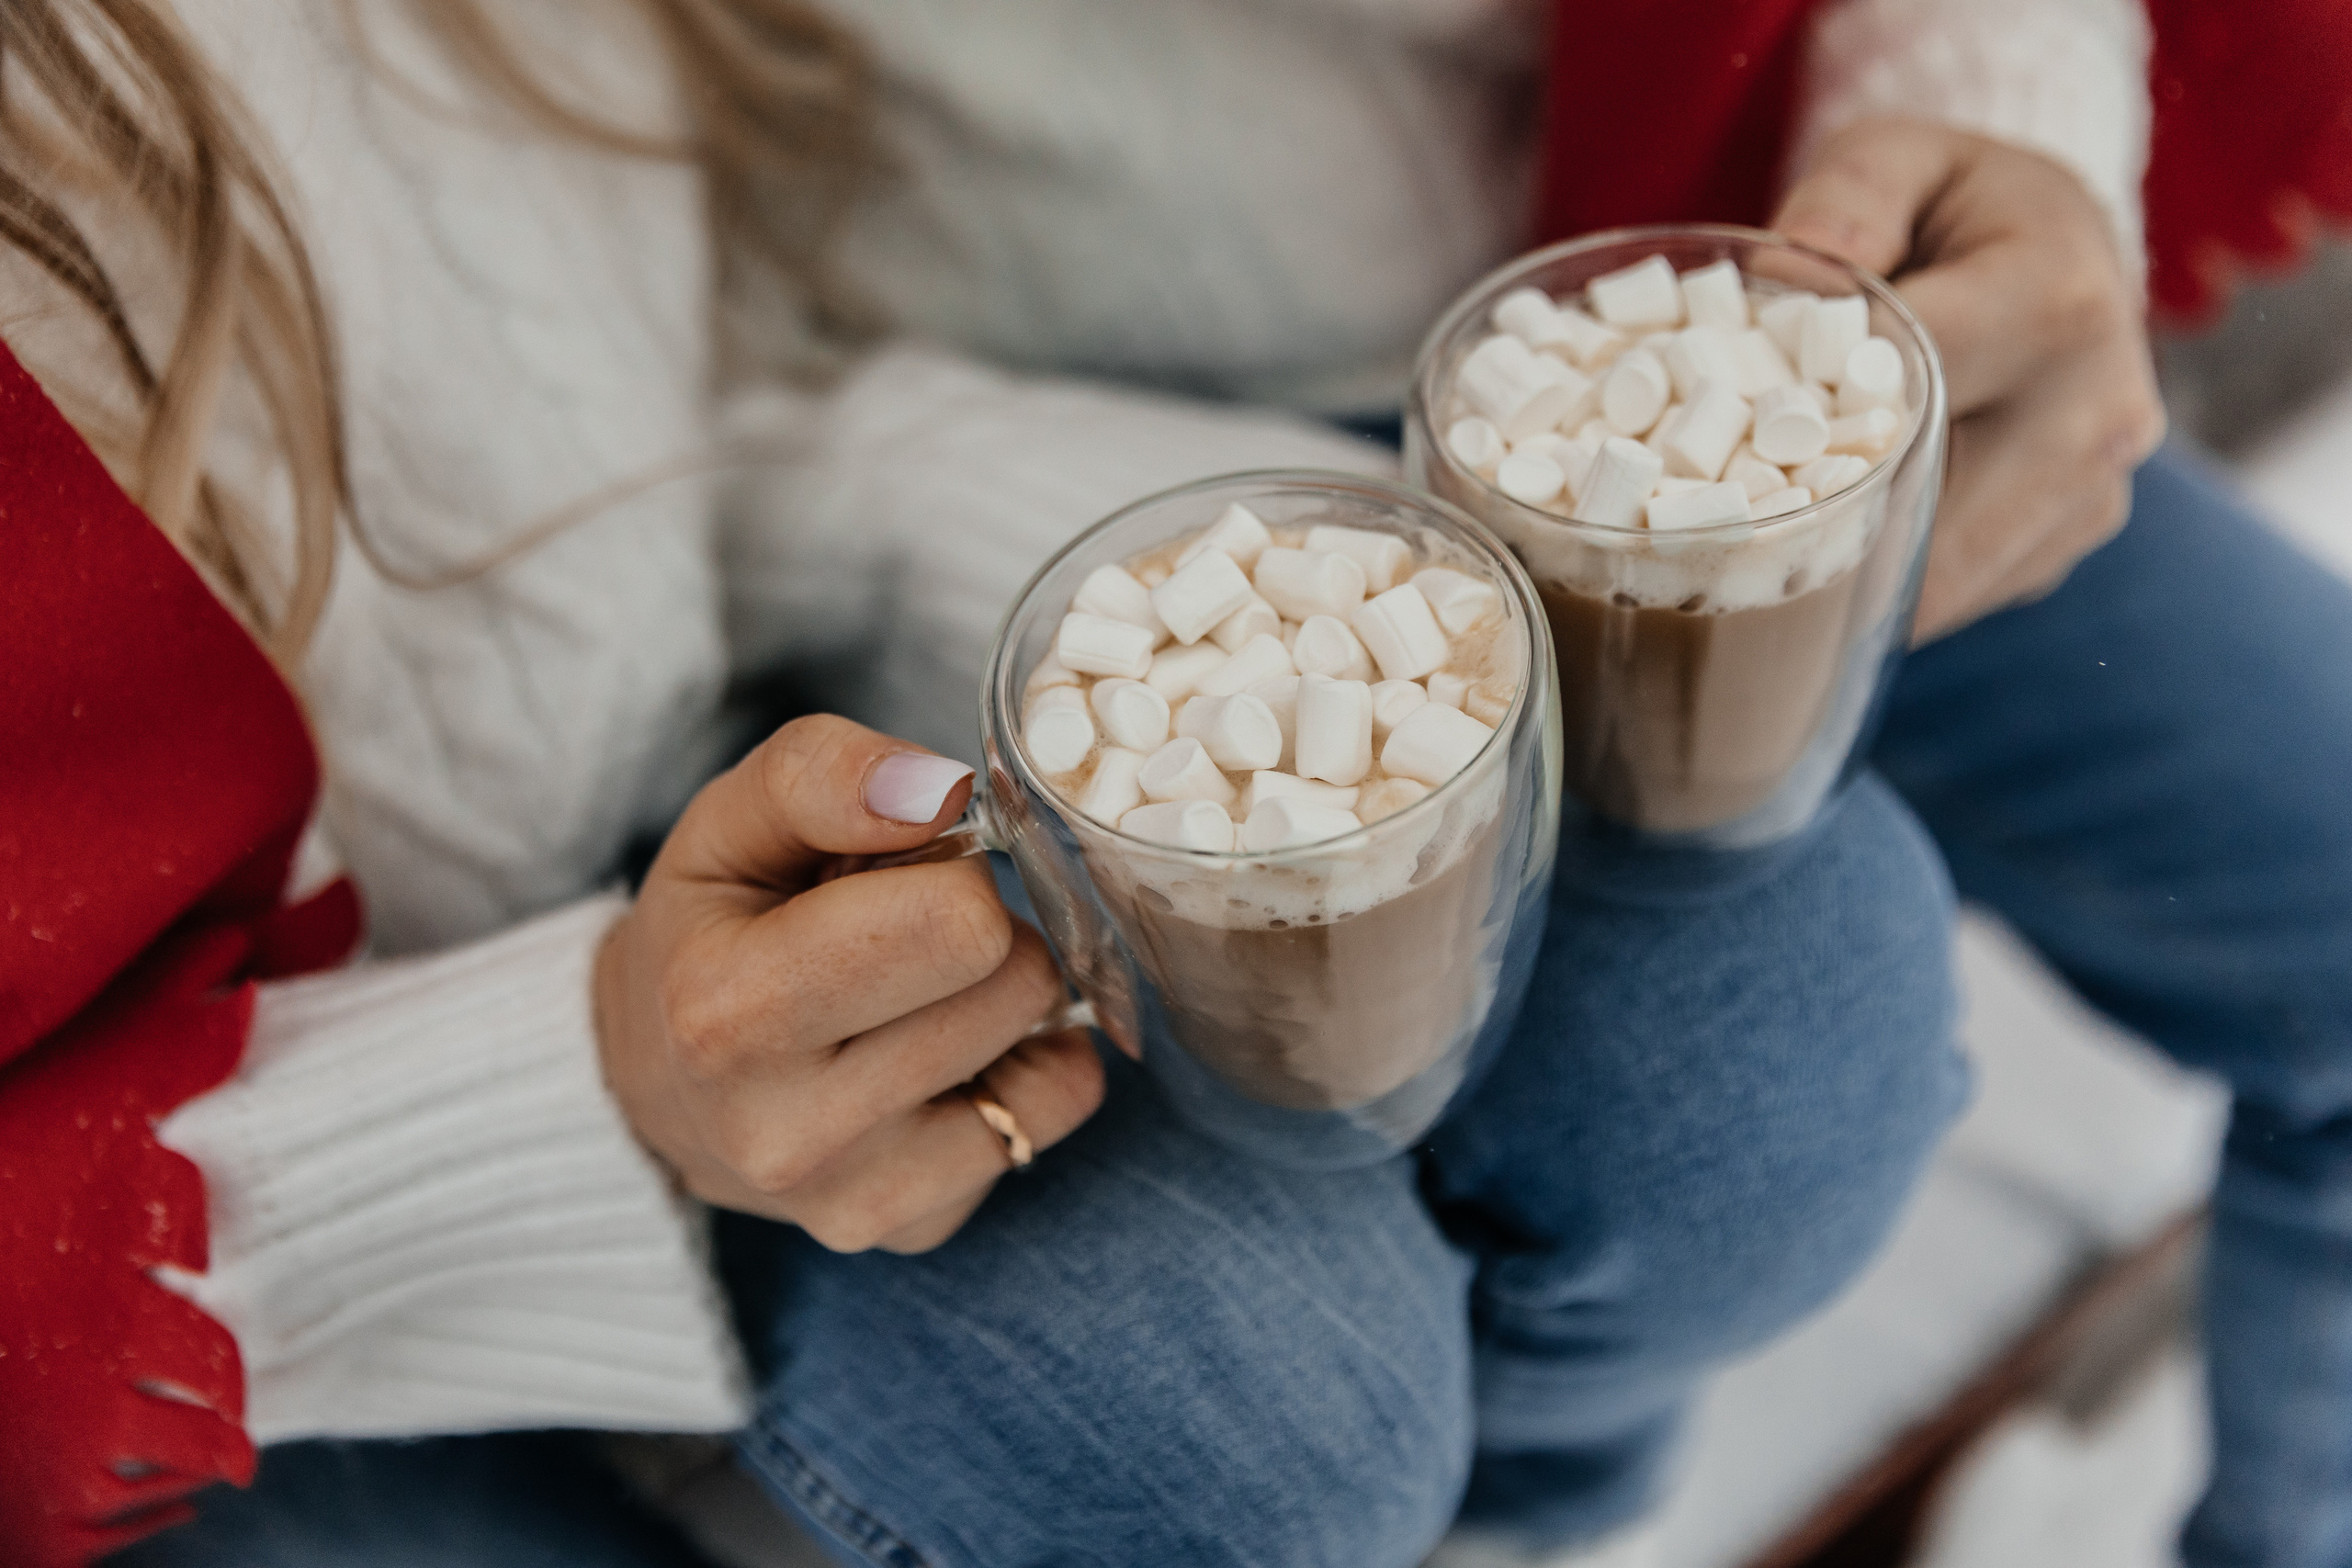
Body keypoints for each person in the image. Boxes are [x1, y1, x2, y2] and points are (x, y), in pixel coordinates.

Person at [0, 11, 2333, 1568]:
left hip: (1604, 266)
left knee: (1786, 1010)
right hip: (297, 1140)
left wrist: (1991, 97)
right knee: (1238, 1413)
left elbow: (692, 407)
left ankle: (1558, 1516)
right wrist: (566, 1091)